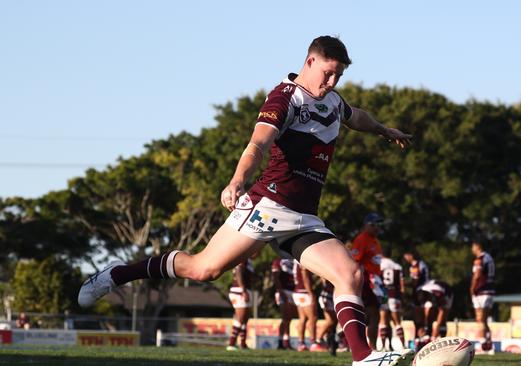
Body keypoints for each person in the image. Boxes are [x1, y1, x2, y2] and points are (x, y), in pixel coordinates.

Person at [78, 35, 414, 366]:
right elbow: (258, 145)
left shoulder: (333, 101)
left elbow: (357, 117)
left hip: (304, 218)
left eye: (339, 74)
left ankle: (364, 359)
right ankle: (115, 276)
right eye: (328, 72)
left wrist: (386, 130)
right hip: (267, 207)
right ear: (310, 61)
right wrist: (237, 181)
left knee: (350, 274)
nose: (333, 80)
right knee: (203, 269)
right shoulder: (284, 99)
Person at [349, 213, 384, 350]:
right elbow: (354, 261)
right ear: (366, 225)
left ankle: (345, 334)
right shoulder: (362, 239)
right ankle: (372, 347)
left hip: (375, 283)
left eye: (379, 225)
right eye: (374, 225)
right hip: (365, 283)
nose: (377, 228)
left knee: (369, 314)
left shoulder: (375, 241)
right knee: (373, 313)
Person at [292, 261, 325, 351]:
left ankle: (301, 343)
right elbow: (305, 275)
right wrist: (310, 292)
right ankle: (313, 343)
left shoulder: (295, 260)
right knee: (313, 318)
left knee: (302, 319)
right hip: (304, 292)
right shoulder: (302, 259)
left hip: (298, 291)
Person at [470, 241, 496, 351]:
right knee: (484, 319)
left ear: (477, 247)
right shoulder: (489, 257)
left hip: (481, 291)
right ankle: (488, 341)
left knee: (480, 319)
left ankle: (482, 343)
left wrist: (472, 288)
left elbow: (477, 274)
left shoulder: (480, 259)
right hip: (490, 290)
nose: (472, 249)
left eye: (473, 247)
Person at [379, 251, 406, 351]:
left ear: (382, 254)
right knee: (397, 322)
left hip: (383, 295)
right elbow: (402, 285)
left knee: (383, 322)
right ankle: (403, 345)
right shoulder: (397, 266)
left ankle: (382, 347)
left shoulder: (379, 264)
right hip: (394, 295)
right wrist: (402, 297)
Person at [402, 250, 429, 350]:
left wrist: (403, 284)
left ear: (410, 255)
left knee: (419, 320)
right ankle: (420, 341)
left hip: (420, 293)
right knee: (420, 320)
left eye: (406, 255)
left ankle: (420, 342)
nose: (405, 258)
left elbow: (415, 282)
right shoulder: (421, 264)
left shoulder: (415, 266)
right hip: (422, 293)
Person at [227, 258, 255, 350]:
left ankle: (243, 343)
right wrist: (243, 289)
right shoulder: (244, 258)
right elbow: (238, 270)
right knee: (240, 318)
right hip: (239, 290)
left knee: (245, 319)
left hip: (246, 290)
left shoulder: (250, 261)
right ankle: (231, 343)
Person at [416, 279, 453, 348]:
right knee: (427, 318)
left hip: (446, 293)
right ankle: (428, 335)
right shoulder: (421, 294)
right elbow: (424, 314)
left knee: (441, 320)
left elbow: (442, 308)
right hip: (434, 293)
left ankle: (436, 339)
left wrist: (432, 338)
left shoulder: (438, 293)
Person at [271, 256, 297, 350]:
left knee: (289, 318)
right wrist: (280, 291)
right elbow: (275, 276)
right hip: (283, 291)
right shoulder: (278, 260)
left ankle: (286, 342)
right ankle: (281, 342)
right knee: (285, 317)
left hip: (293, 291)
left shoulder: (295, 260)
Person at [316, 278, 338, 354]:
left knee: (333, 322)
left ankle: (329, 341)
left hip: (331, 297)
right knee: (331, 320)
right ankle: (318, 340)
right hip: (326, 296)